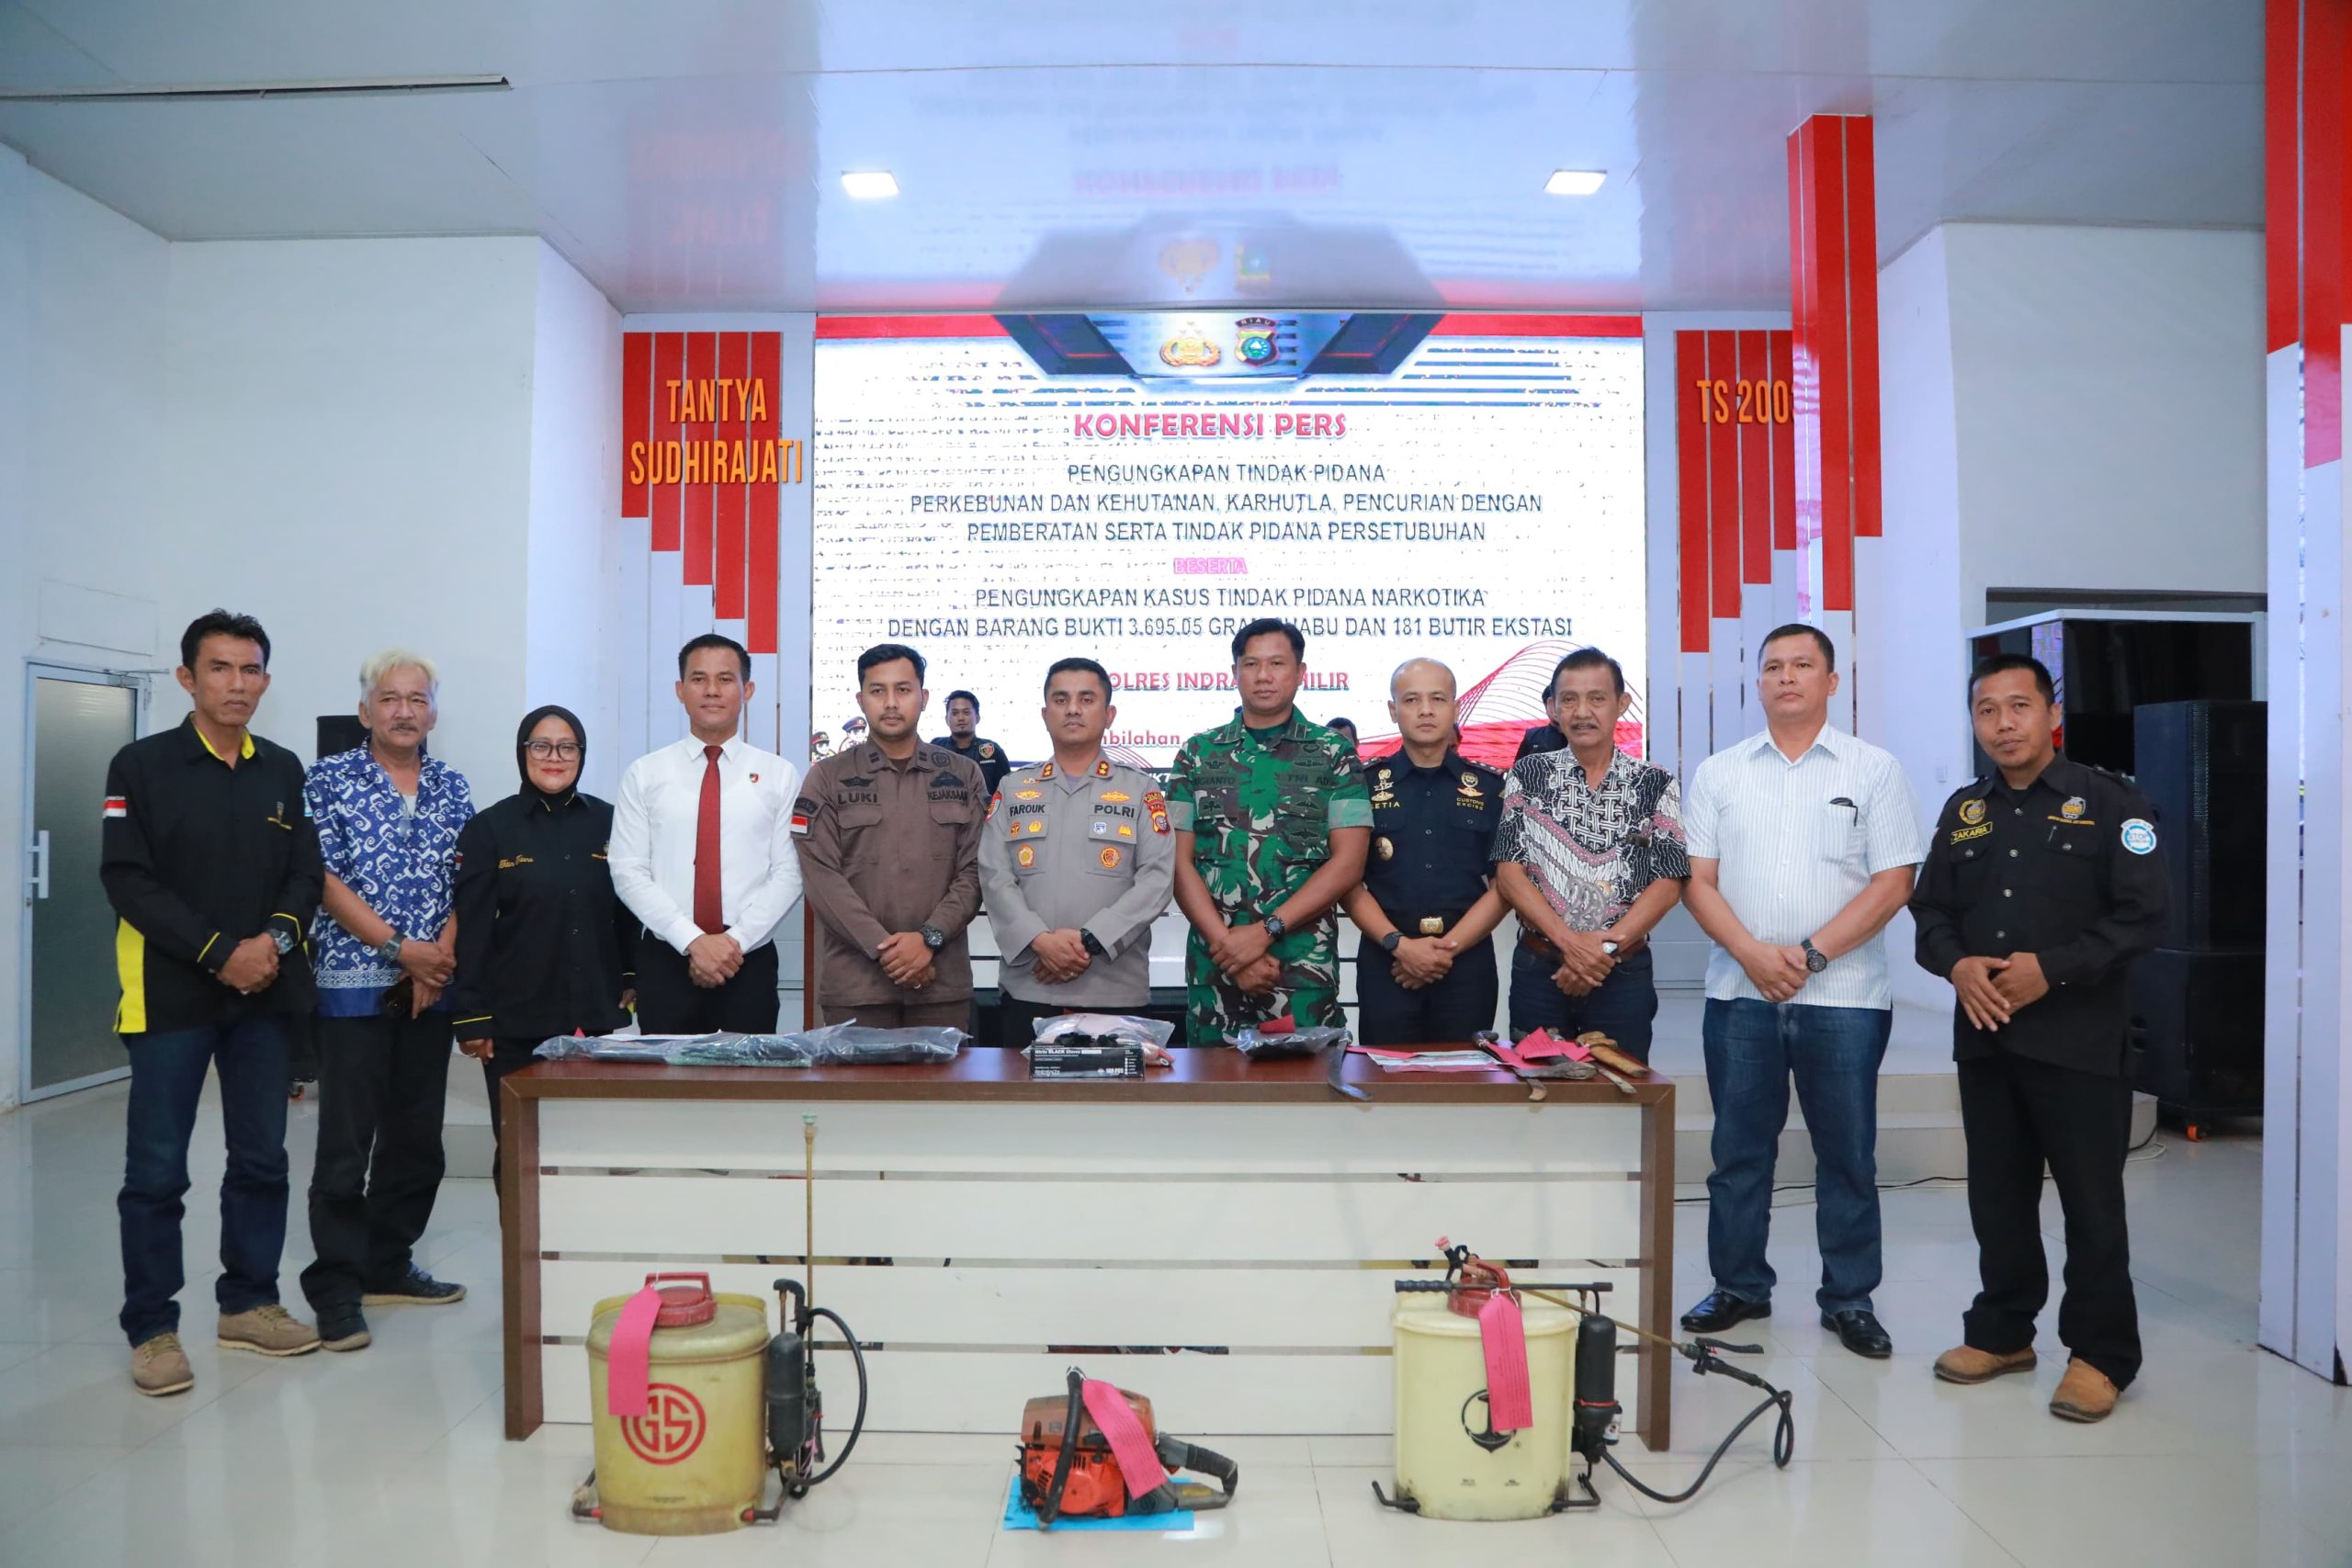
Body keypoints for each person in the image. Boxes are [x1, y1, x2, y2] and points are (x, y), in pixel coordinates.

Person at [1911, 654, 2168, 1423]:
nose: (2003, 723)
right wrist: (1957, 965)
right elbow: (1930, 913)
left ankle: (2100, 1355)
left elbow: (2143, 916)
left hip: (2079, 1042)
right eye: (1987, 710)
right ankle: (2002, 1332)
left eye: (2019, 706)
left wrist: (2049, 971)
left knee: (2092, 1204)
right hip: (1987, 1039)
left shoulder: (2112, 802)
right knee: (1998, 1198)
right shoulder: (1966, 810)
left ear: (2052, 714)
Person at [1677, 624, 1926, 1359]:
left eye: (1803, 665)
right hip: (1739, 990)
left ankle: (1849, 1298)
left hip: (1844, 997)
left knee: (1847, 1155)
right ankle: (1739, 1285)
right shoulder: (1719, 772)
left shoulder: (1874, 769)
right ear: (1758, 683)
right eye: (1774, 666)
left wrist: (1810, 955)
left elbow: (1895, 881)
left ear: (1831, 681)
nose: (1787, 677)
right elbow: (1696, 880)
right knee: (1738, 1153)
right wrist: (1753, 954)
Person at [102, 611, 325, 1393]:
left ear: (266, 679)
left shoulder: (282, 769)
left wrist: (272, 943)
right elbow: (126, 879)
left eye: (251, 669)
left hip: (264, 994)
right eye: (221, 668)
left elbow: (305, 875)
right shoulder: (141, 766)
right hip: (170, 998)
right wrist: (218, 951)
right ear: (187, 678)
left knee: (262, 1159)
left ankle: (250, 1302)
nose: (238, 684)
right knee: (157, 1170)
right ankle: (152, 1327)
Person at [301, 649, 476, 1351]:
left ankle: (388, 1262)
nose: (404, 710)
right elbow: (323, 879)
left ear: (433, 711)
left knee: (416, 1140)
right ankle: (337, 1289)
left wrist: (438, 959)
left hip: (429, 991)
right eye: (390, 698)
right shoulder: (329, 780)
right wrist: (403, 949)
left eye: (417, 698)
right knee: (346, 1147)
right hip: (354, 987)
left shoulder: (451, 786)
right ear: (366, 709)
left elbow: (468, 880)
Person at [451, 706, 638, 1190]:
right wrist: (471, 1016)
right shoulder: (490, 828)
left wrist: (631, 976)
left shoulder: (610, 822)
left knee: (588, 1147)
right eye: (541, 746)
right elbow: (472, 929)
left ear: (581, 754)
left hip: (592, 1017)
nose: (554, 757)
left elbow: (627, 912)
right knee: (520, 1151)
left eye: (567, 747)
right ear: (522, 753)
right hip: (514, 1022)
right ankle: (520, 1242)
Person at [1167, 619, 1371, 1047]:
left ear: (1300, 673)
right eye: (1251, 664)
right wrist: (1230, 950)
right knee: (1210, 1085)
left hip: (1302, 972)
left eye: (1277, 664)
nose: (1263, 676)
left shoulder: (1334, 754)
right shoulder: (1196, 754)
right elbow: (1177, 862)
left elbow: (1349, 862)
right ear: (1234, 672)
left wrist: (1264, 933)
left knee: (1310, 1086)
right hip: (1215, 972)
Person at [1490, 649, 1689, 1059]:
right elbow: (1509, 873)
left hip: (1622, 971)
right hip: (1541, 971)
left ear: (1622, 704)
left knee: (1621, 1087)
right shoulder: (1527, 774)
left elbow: (1669, 881)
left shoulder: (1654, 782)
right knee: (1539, 1085)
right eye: (1569, 699)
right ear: (1552, 708)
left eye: (1597, 698)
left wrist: (1604, 951)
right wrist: (1571, 944)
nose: (1582, 712)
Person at [610, 634, 804, 1035]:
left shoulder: (779, 775)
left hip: (748, 960)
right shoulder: (645, 774)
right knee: (666, 1075)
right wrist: (694, 941)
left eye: (725, 679)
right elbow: (628, 870)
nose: (712, 690)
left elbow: (790, 872)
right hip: (666, 958)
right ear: (680, 690)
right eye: (699, 679)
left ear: (747, 690)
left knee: (747, 1076)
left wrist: (733, 944)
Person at [979, 659, 1176, 1043]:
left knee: (1115, 1085)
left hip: (1114, 989)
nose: (1072, 709)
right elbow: (993, 874)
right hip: (1030, 985)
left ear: (1109, 715)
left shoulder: (1141, 790)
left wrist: (1089, 942)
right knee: (1023, 1082)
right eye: (1061, 699)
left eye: (1086, 699)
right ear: (1045, 715)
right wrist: (1040, 941)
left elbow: (1157, 879)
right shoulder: (1013, 788)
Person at [796, 644, 987, 1028]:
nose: (891, 702)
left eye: (903, 689)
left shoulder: (963, 774)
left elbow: (977, 870)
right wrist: (886, 950)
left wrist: (929, 939)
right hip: (856, 988)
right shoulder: (827, 777)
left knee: (945, 1072)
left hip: (941, 983)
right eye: (877, 690)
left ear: (923, 697)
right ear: (861, 700)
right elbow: (821, 877)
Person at [1340, 660, 1507, 1045]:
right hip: (1387, 961)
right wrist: (1401, 946)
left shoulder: (1490, 787)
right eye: (1412, 700)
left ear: (1456, 707)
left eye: (1438, 699)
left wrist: (1444, 952)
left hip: (1466, 964)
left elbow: (1504, 886)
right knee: (1385, 1076)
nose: (1426, 710)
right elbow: (1347, 881)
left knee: (1465, 1077)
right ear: (1393, 710)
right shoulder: (1362, 785)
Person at [934, 688, 1012, 794]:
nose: (961, 718)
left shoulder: (992, 750)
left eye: (966, 713)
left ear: (977, 718)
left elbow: (1007, 788)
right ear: (946, 719)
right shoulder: (936, 747)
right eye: (955, 713)